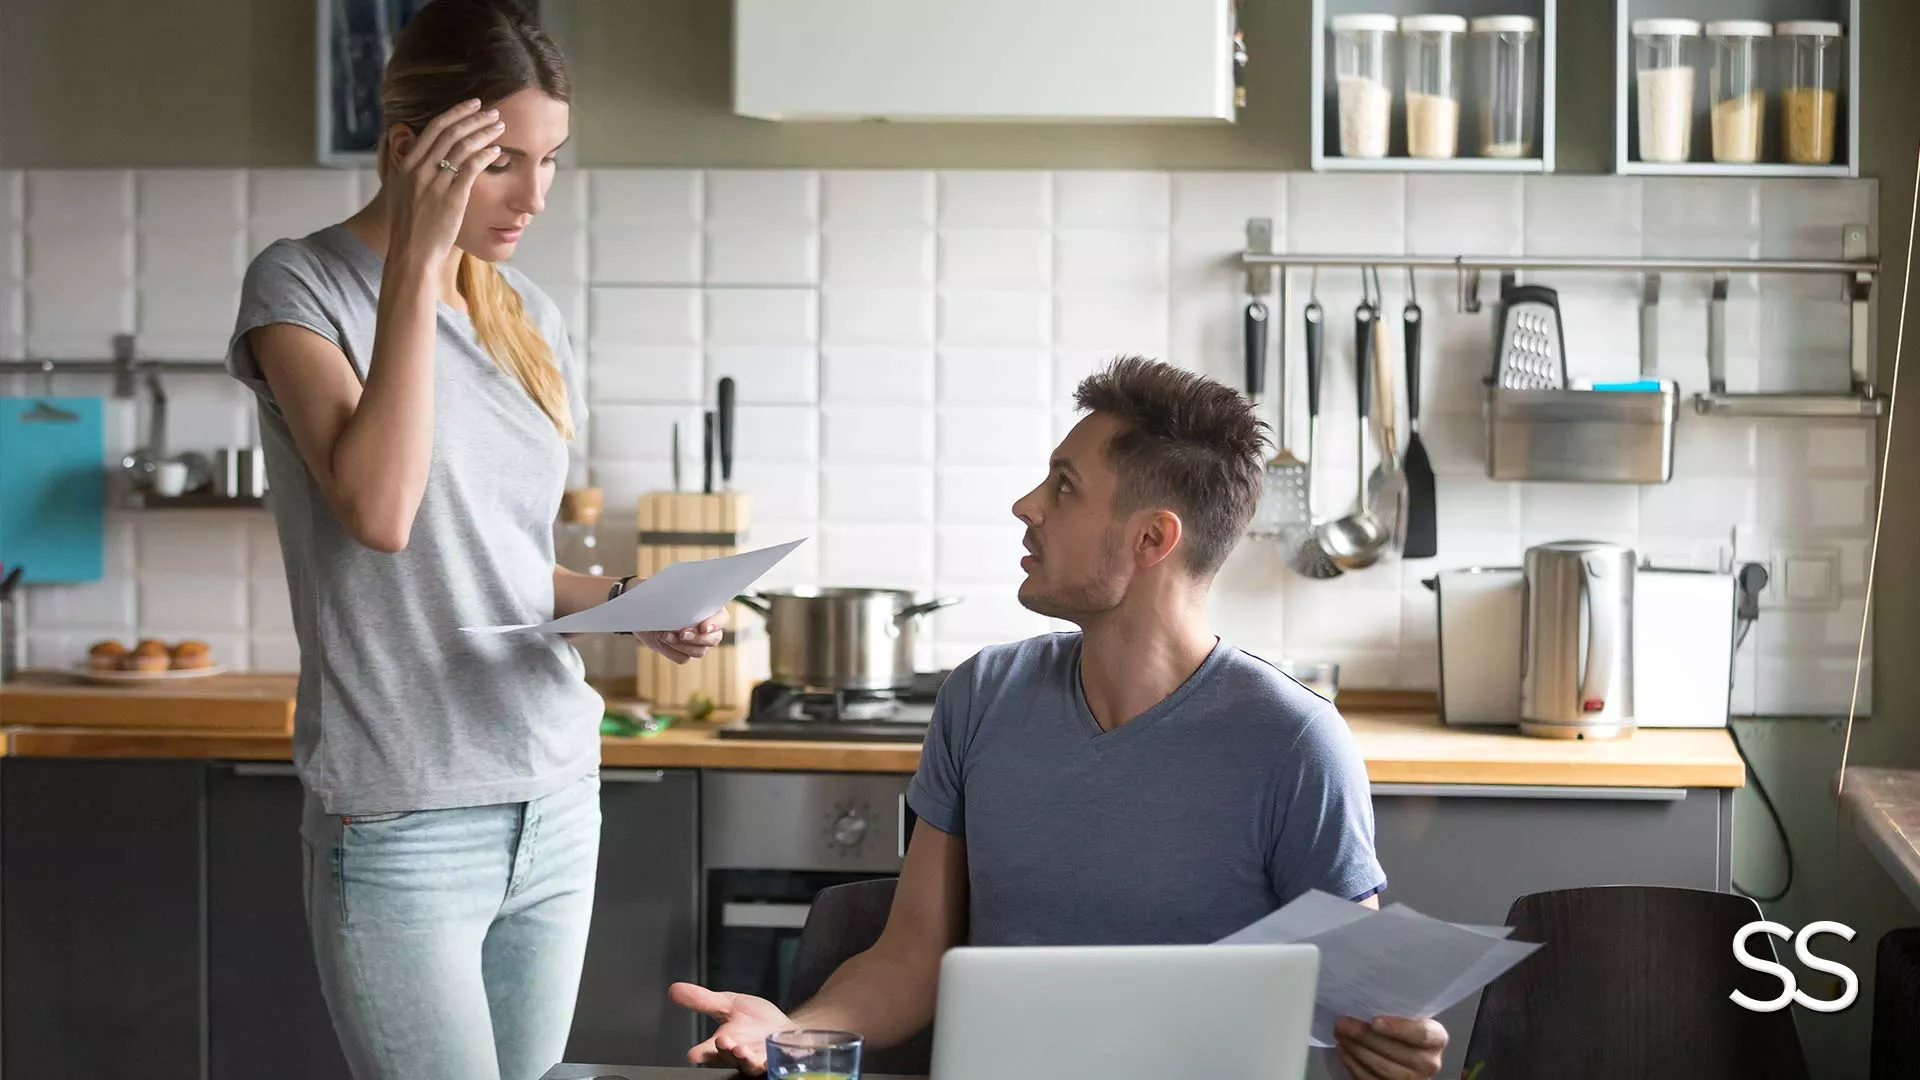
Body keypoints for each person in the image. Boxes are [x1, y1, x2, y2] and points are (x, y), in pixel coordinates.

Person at [669, 357, 1448, 1080]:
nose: (1027, 506)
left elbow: (1360, 999)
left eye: (1064, 487)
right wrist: (792, 1032)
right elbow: (911, 955)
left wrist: (1392, 1042)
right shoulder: (983, 696)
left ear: (1152, 539)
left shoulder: (1294, 742)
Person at [224, 2, 721, 1078]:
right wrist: (417, 264)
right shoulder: (301, 288)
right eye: (501, 163)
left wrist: (634, 597)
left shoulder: (528, 314)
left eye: (550, 161)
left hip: (552, 791)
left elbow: (491, 564)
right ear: (410, 150)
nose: (534, 196)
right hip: (404, 815)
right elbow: (381, 511)